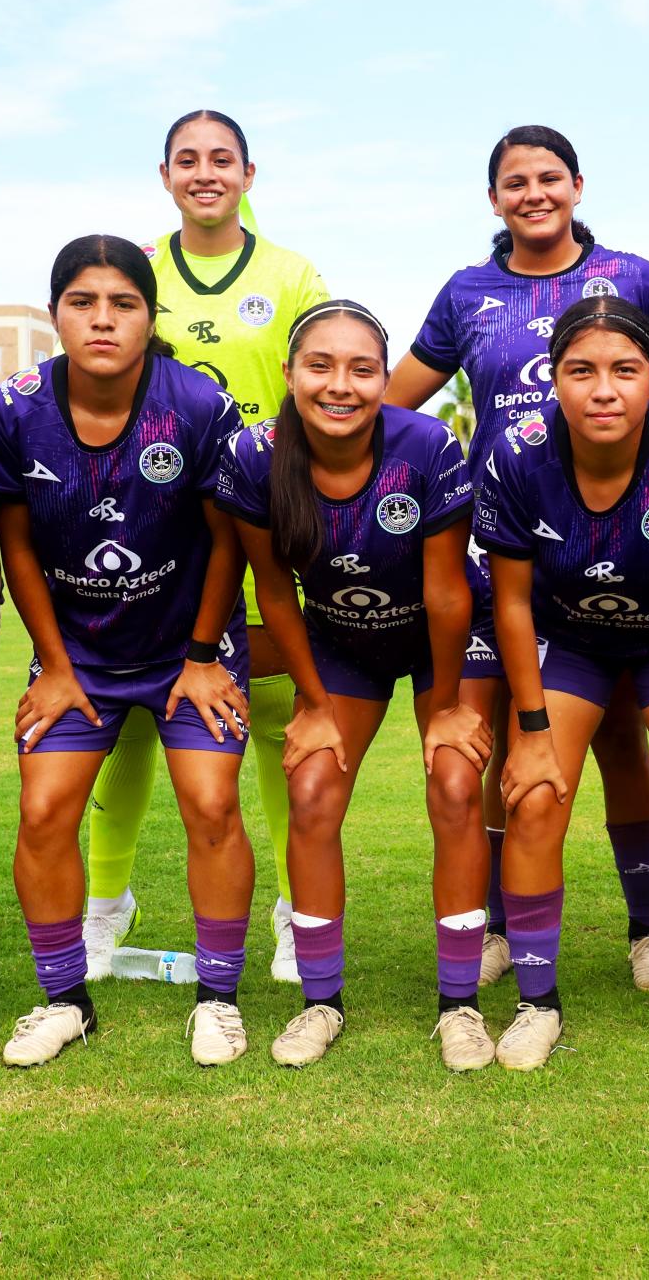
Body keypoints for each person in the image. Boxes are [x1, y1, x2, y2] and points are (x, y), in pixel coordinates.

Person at [387, 125, 649, 994]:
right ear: (493, 199)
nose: (533, 193)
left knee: (623, 747)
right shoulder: (469, 292)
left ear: (578, 185)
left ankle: (647, 930)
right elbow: (392, 402)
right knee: (507, 750)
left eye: (548, 178)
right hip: (513, 556)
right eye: (514, 182)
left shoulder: (631, 278)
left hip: (632, 544)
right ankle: (500, 925)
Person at [0, 235, 255, 1069]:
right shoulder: (15, 406)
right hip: (80, 656)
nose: (102, 319)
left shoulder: (198, 404)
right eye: (82, 302)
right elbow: (16, 545)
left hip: (188, 647)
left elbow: (227, 542)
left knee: (211, 802)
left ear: (150, 315)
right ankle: (64, 998)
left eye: (124, 303)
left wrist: (205, 654)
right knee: (41, 810)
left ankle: (218, 997)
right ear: (56, 311)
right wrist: (56, 664)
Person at [82, 109, 330, 988]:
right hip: (155, 527)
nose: (205, 173)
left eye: (221, 159)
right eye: (188, 160)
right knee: (129, 729)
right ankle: (104, 909)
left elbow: (325, 385)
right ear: (164, 176)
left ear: (249, 174)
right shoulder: (135, 271)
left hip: (268, 518)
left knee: (267, 719)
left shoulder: (292, 272)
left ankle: (299, 918)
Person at [217, 300, 497, 1070]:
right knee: (310, 789)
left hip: (443, 633)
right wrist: (312, 701)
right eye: (321, 366)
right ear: (290, 374)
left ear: (384, 377)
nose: (340, 384)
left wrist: (443, 708)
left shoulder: (428, 444)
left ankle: (460, 1004)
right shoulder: (254, 455)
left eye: (362, 368)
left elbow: (446, 593)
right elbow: (273, 591)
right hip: (342, 641)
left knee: (454, 782)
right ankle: (321, 1002)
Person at [474, 296, 649, 1073]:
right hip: (569, 639)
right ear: (552, 380)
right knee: (532, 793)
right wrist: (530, 733)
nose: (604, 389)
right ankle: (538, 1002)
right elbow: (514, 603)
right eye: (581, 370)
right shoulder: (517, 456)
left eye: (625, 370)